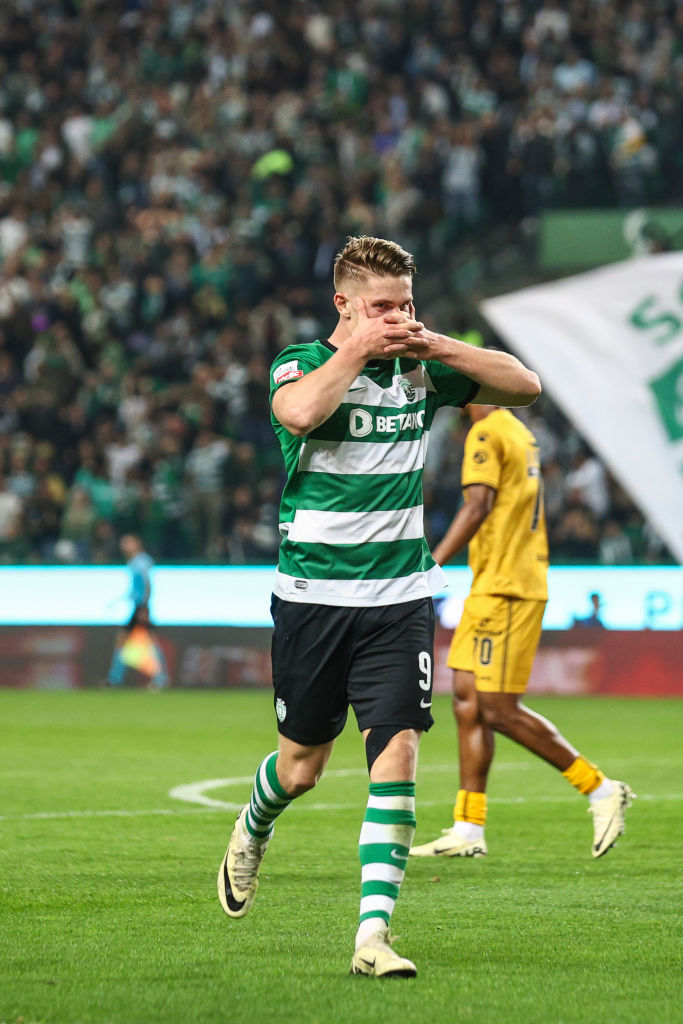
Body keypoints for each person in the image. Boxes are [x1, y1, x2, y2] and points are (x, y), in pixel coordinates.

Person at [216, 236, 541, 978]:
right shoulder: (302, 363)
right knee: (300, 769)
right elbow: (299, 413)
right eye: (382, 307)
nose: (398, 318)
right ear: (344, 304)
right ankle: (254, 824)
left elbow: (524, 385)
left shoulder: (420, 369)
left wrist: (439, 344)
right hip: (314, 597)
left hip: (399, 598)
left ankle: (373, 936)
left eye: (406, 304)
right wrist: (358, 350)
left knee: (397, 753)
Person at [409, 404, 633, 863]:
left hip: (508, 587)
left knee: (496, 707)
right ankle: (468, 828)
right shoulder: (518, 431)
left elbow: (478, 505)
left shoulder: (486, 432)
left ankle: (600, 788)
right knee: (468, 701)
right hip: (491, 584)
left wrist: (430, 565)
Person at [108, 533, 169, 689]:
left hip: (141, 607)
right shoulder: (135, 561)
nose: (124, 546)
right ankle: (115, 678)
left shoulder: (141, 561)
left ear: (137, 543)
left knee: (142, 642)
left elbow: (147, 584)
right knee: (135, 641)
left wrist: (144, 607)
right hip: (138, 606)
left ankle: (160, 678)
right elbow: (136, 588)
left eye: (128, 542)